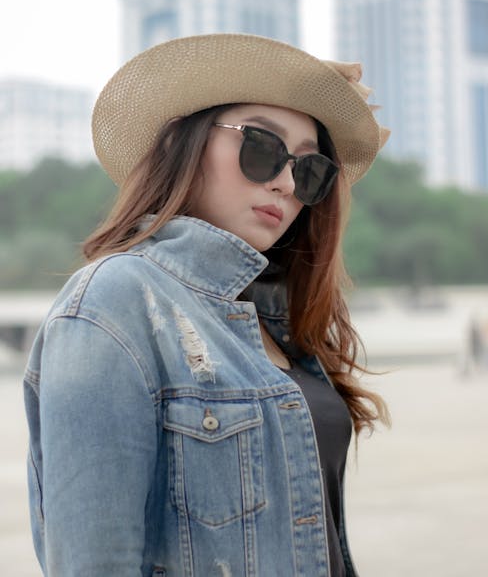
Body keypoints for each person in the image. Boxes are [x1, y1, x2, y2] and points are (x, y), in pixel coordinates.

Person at [24, 33, 391, 577]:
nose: (288, 182)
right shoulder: (112, 304)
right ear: (182, 144)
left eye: (310, 170)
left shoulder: (279, 320)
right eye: (262, 147)